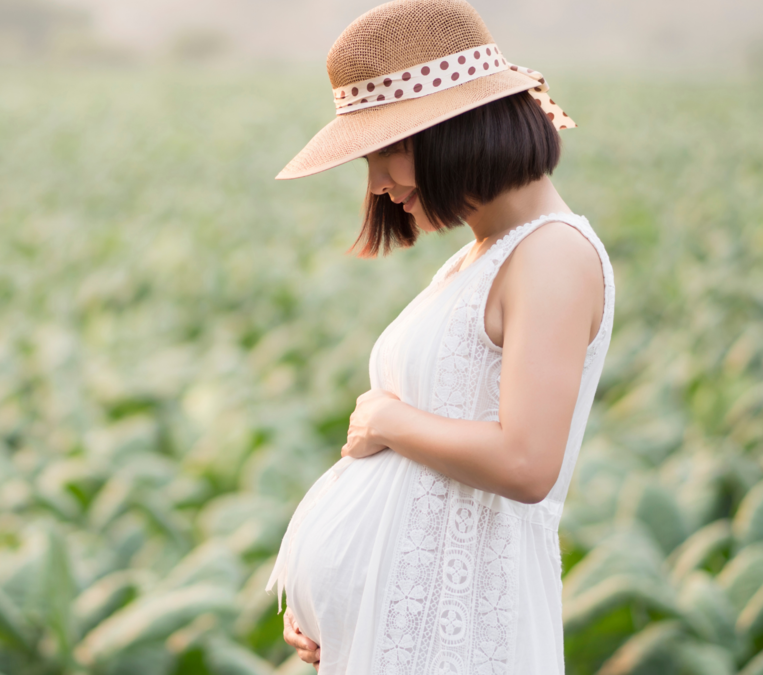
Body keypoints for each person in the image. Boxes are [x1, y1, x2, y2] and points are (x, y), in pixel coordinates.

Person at [264, 1, 614, 673]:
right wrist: (338, 601)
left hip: (458, 640)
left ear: (458, 126)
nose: (378, 185)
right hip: (402, 635)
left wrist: (389, 419)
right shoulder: (481, 256)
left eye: (387, 150)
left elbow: (525, 463)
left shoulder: (553, 254)